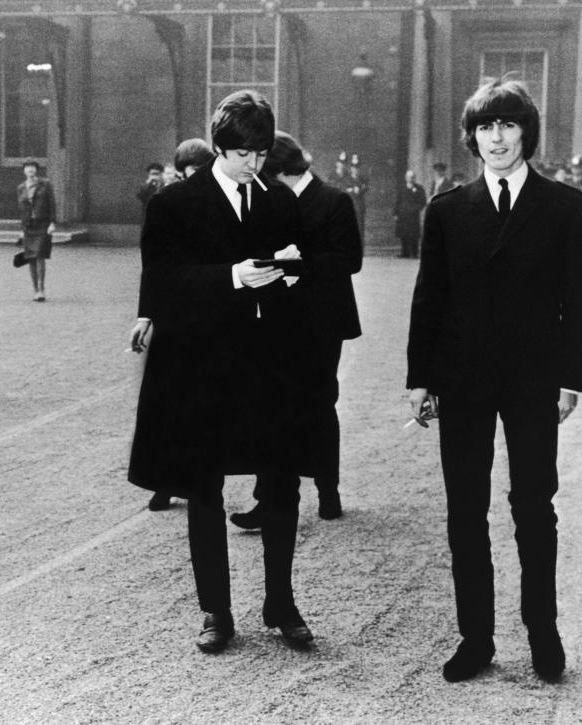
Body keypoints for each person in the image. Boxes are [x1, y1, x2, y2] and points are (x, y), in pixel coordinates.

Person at [406, 77, 582, 683]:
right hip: (461, 379)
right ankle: (476, 638)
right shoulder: (446, 211)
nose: (497, 137)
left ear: (526, 134)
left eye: (508, 125)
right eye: (486, 127)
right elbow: (428, 298)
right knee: (466, 510)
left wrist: (571, 377)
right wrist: (420, 377)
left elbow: (578, 300)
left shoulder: (566, 208)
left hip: (534, 378)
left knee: (534, 506)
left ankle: (544, 634)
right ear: (472, 138)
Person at [128, 89, 315, 653]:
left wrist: (292, 274)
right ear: (218, 147)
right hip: (201, 367)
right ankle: (216, 611)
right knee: (203, 488)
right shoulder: (174, 205)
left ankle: (280, 603)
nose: (255, 165)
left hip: (267, 366)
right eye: (243, 154)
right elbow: (162, 284)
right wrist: (232, 278)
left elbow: (301, 265)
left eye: (262, 153)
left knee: (281, 484)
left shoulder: (280, 201)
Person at [230, 131, 362, 529]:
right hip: (277, 319)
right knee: (271, 408)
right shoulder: (268, 201)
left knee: (319, 405)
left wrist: (295, 264)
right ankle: (269, 499)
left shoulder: (334, 200)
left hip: (323, 323)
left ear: (281, 170)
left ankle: (328, 490)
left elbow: (349, 260)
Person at [131, 137, 216, 513]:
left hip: (210, 314)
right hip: (173, 317)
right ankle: (165, 482)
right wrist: (146, 315)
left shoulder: (221, 204)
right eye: (189, 172)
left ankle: (195, 479)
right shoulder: (165, 205)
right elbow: (153, 265)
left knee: (201, 405)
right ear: (179, 172)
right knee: (167, 405)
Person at [16, 160, 56, 302]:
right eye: (27, 168)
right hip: (29, 226)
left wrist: (52, 223)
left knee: (40, 256)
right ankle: (35, 290)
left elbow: (52, 203)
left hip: (42, 224)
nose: (30, 170)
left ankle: (41, 290)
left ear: (36, 170)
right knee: (31, 257)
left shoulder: (45, 184)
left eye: (32, 168)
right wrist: (22, 229)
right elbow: (21, 210)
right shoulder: (21, 188)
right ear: (24, 171)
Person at [394, 169, 427, 258]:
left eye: (412, 177)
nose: (410, 179)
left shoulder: (419, 189)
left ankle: (414, 253)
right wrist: (395, 213)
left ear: (414, 178)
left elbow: (423, 202)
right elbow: (397, 201)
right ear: (406, 178)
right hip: (403, 215)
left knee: (414, 234)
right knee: (403, 234)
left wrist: (415, 209)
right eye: (409, 177)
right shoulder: (402, 188)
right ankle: (405, 253)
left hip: (413, 216)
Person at [346, 154, 368, 247]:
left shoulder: (362, 179)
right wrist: (351, 190)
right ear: (350, 167)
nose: (355, 169)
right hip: (349, 206)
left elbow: (366, 187)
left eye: (357, 167)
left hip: (359, 206)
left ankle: (360, 248)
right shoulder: (347, 178)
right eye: (353, 167)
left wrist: (360, 190)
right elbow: (343, 189)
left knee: (360, 227)